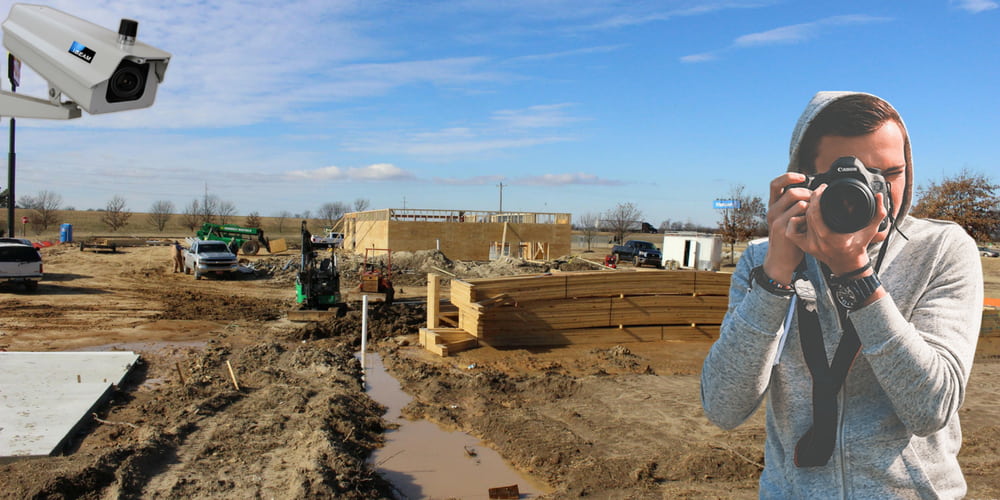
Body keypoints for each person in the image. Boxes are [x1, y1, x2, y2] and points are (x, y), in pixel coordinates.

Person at [701, 91, 983, 498]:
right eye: (850, 176)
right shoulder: (764, 262)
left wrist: (858, 276)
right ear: (802, 179)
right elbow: (723, 408)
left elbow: (931, 409)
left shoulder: (941, 249)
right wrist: (775, 276)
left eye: (892, 173)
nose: (877, 192)